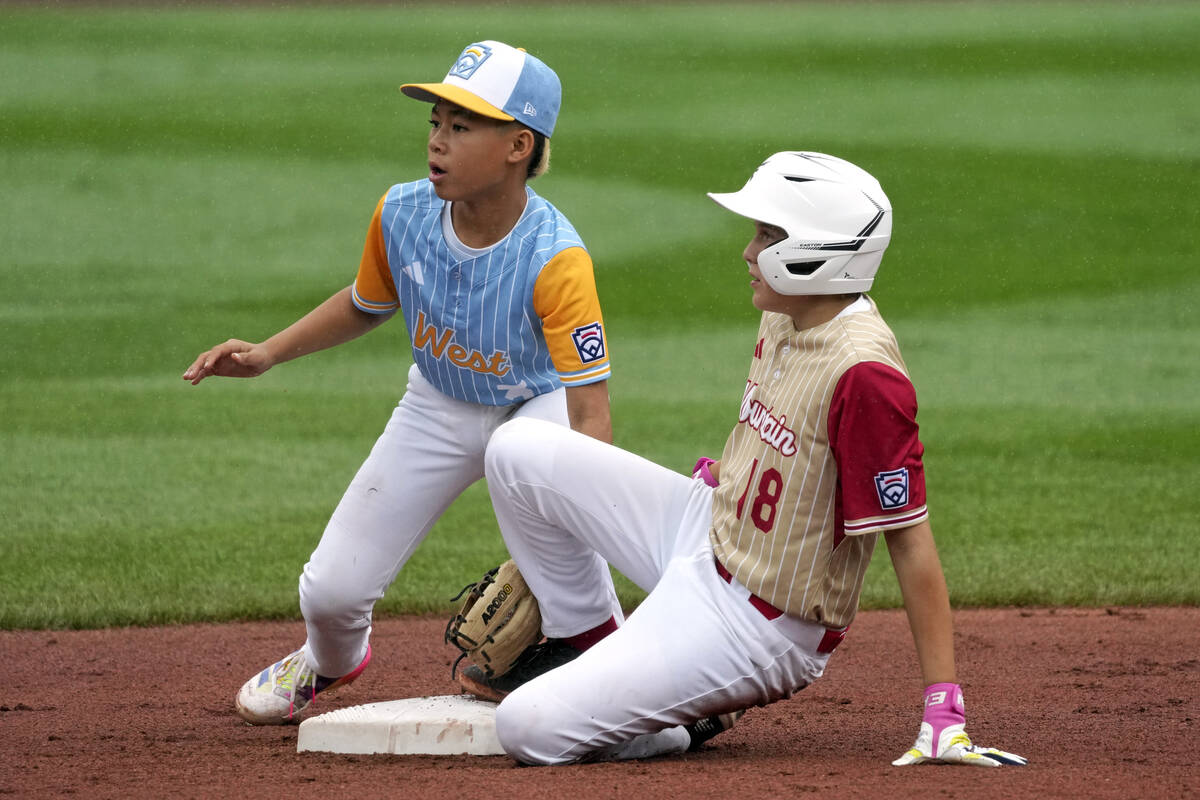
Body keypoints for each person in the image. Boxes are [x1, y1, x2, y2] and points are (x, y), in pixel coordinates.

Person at [467, 152, 1028, 767]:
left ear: (816, 251)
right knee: (514, 451)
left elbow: (910, 541)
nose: (747, 250)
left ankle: (679, 722)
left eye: (766, 234)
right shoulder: (789, 312)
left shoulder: (866, 377)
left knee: (527, 727)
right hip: (706, 530)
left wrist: (943, 709)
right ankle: (592, 643)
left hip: (757, 624)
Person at [181, 40, 620, 725]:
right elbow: (365, 302)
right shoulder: (402, 213)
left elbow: (590, 413)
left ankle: (604, 654)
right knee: (330, 591)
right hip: (437, 406)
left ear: (518, 145)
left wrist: (573, 515)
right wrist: (268, 353)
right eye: (436, 122)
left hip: (536, 410)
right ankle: (327, 661)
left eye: (461, 126)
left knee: (529, 469)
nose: (437, 141)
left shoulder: (555, 257)